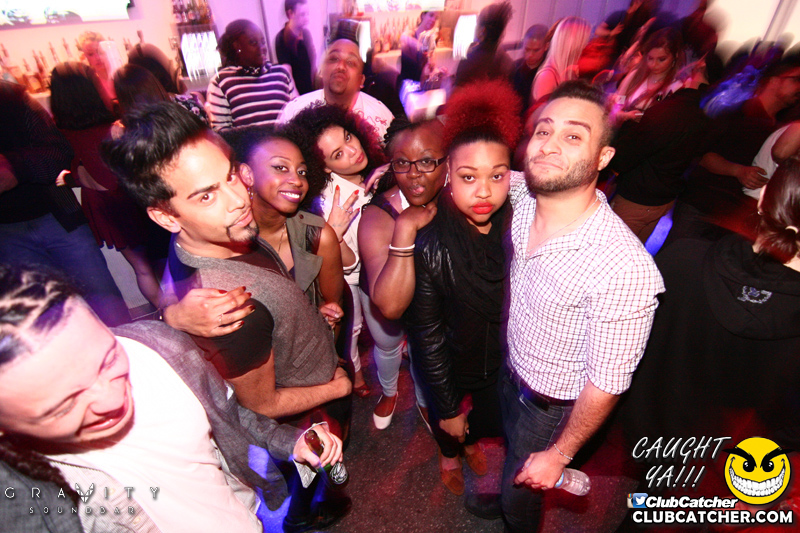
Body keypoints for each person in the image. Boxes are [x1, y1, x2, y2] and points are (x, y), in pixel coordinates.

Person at [102, 102, 352, 533]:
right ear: (165, 216)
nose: (239, 200)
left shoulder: (212, 238)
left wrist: (305, 315)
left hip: (306, 368)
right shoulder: (232, 309)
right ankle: (303, 514)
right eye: (207, 195)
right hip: (303, 408)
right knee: (307, 471)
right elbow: (260, 406)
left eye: (231, 175)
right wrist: (337, 386)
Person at [0, 264, 343, 533]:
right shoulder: (24, 502)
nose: (111, 400)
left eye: (108, 358)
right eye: (63, 406)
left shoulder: (160, 348)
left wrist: (290, 441)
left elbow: (233, 417)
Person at [501, 81, 664, 532]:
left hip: (550, 409)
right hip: (510, 373)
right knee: (511, 465)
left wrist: (559, 454)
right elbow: (478, 170)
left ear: (603, 157)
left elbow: (607, 383)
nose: (550, 145)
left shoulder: (623, 266)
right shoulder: (523, 195)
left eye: (573, 136)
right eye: (543, 131)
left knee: (521, 498)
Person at [620, 159, 800, 508]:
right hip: (717, 447)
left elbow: (627, 341)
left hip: (645, 417)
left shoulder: (681, 257)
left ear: (763, 198)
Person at [404, 80, 520, 503]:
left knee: (487, 420)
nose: (484, 191)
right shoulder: (430, 241)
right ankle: (449, 453)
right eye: (469, 177)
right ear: (449, 175)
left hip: (499, 360)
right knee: (448, 423)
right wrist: (450, 408)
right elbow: (427, 336)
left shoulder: (519, 225)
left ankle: (469, 442)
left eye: (497, 176)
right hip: (449, 362)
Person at [0, 80, 130, 327]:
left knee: (106, 304)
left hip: (58, 215)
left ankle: (130, 347)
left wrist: (14, 165)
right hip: (7, 235)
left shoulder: (11, 96)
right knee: (47, 321)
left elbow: (59, 152)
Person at [286, 103, 388, 397]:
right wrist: (335, 234)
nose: (353, 150)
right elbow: (350, 263)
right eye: (338, 154)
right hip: (351, 275)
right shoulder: (335, 200)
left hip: (378, 263)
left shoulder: (371, 167)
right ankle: (355, 377)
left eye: (348, 137)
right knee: (352, 328)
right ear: (326, 168)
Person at [358, 117, 446, 429]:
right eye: (402, 163)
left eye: (426, 161)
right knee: (387, 346)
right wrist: (405, 227)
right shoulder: (378, 215)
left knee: (424, 352)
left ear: (448, 161)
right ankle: (389, 391)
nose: (414, 173)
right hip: (382, 294)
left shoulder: (460, 194)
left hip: (430, 302)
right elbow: (391, 305)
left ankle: (424, 401)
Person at [50, 62, 162, 307]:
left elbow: (77, 174)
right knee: (159, 261)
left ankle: (166, 311)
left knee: (142, 267)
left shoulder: (61, 132)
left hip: (102, 206)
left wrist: (75, 176)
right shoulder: (114, 128)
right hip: (126, 200)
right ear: (90, 91)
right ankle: (174, 311)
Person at [278, 37, 394, 141]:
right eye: (334, 59)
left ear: (361, 80)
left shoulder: (382, 119)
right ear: (321, 71)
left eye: (351, 62)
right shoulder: (294, 113)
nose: (341, 66)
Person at [206, 19, 298, 131]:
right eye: (253, 42)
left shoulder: (281, 74)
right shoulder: (221, 82)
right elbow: (220, 131)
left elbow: (296, 115)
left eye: (263, 42)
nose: (261, 48)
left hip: (285, 141)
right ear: (237, 46)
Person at [612, 27, 686, 125]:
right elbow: (619, 103)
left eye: (661, 59)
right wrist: (624, 115)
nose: (654, 64)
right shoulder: (635, 76)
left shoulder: (676, 87)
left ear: (675, 56)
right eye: (650, 58)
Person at [454, 1, 514, 88]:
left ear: (482, 30)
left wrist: (447, 83)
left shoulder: (470, 59)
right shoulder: (507, 62)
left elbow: (457, 92)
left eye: (477, 22)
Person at [531, 17, 591, 104]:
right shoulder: (547, 77)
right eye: (586, 41)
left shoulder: (569, 70)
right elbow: (544, 111)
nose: (588, 45)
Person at [275, 0, 316, 95]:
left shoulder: (306, 34)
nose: (307, 18)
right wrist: (297, 99)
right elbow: (288, 74)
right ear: (290, 14)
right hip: (297, 94)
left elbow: (313, 66)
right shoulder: (281, 38)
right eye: (302, 14)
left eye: (307, 14)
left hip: (312, 90)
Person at [511, 24, 549, 114]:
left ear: (546, 46)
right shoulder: (514, 67)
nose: (530, 55)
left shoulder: (547, 72)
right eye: (527, 49)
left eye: (536, 50)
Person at [398, 10, 439, 86]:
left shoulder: (430, 42)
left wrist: (437, 72)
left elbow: (433, 66)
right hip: (406, 86)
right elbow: (403, 38)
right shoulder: (410, 34)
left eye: (436, 18)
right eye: (431, 15)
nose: (433, 20)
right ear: (423, 15)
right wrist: (422, 47)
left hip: (420, 86)